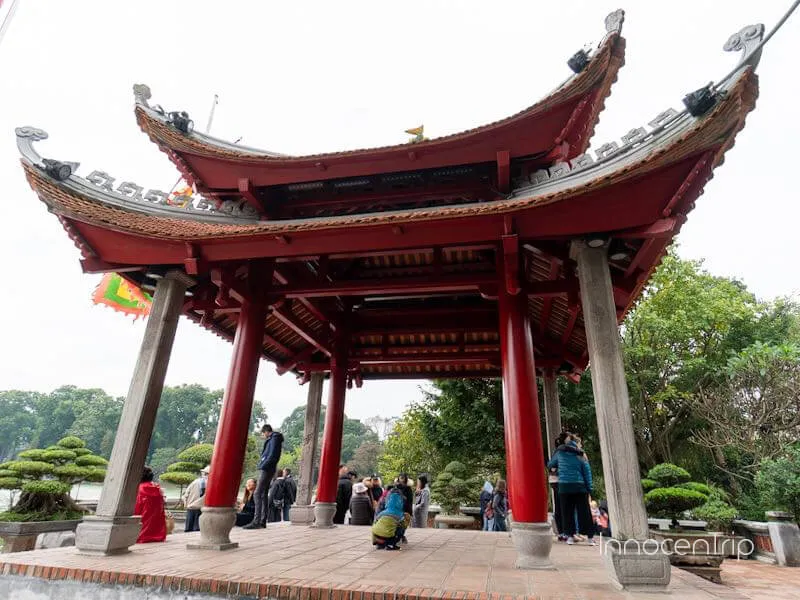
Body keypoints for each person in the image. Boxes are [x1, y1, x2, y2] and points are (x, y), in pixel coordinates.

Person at [547, 435, 595, 545]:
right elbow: (586, 472)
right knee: (585, 512)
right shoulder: (581, 454)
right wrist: (589, 487)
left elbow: (550, 465)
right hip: (580, 486)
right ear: (575, 443)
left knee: (567, 512)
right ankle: (590, 538)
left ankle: (569, 537)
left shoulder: (560, 453)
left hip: (564, 486)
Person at [244, 424, 284, 529]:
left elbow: (272, 455)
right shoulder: (274, 438)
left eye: (263, 433)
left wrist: (263, 465)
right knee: (263, 493)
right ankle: (262, 520)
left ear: (266, 431)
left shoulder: (274, 439)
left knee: (257, 493)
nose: (263, 435)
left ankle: (257, 521)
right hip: (269, 467)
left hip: (268, 468)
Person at [135, 466, 166, 543]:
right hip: (158, 533)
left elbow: (136, 508)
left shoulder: (139, 489)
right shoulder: (157, 489)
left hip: (142, 533)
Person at [183, 465, 209, 532]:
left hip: (190, 508)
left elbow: (186, 494)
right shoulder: (209, 483)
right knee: (197, 529)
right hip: (200, 509)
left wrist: (186, 505)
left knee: (188, 529)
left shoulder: (195, 481)